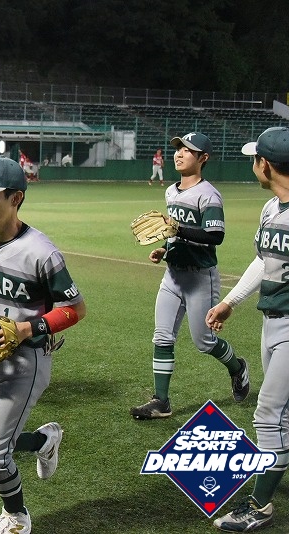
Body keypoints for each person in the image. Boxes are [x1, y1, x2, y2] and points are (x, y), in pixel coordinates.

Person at [0, 157, 86, 533]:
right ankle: (44, 440)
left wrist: (28, 328)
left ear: (15, 198)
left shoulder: (41, 252)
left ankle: (17, 517)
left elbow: (75, 309)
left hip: (27, 362)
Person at [130, 132, 250, 420]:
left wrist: (178, 230)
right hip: (172, 276)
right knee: (162, 336)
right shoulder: (171, 192)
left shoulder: (208, 194)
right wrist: (165, 249)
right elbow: (173, 233)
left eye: (188, 150)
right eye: (178, 149)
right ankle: (161, 401)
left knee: (204, 342)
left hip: (200, 279)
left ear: (203, 158)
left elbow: (215, 235)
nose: (180, 153)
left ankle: (238, 368)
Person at [206, 127, 289, 532]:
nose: (252, 165)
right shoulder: (272, 208)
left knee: (269, 414)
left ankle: (260, 505)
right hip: (271, 321)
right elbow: (263, 260)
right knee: (282, 414)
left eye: (255, 159)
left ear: (265, 164)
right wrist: (230, 301)